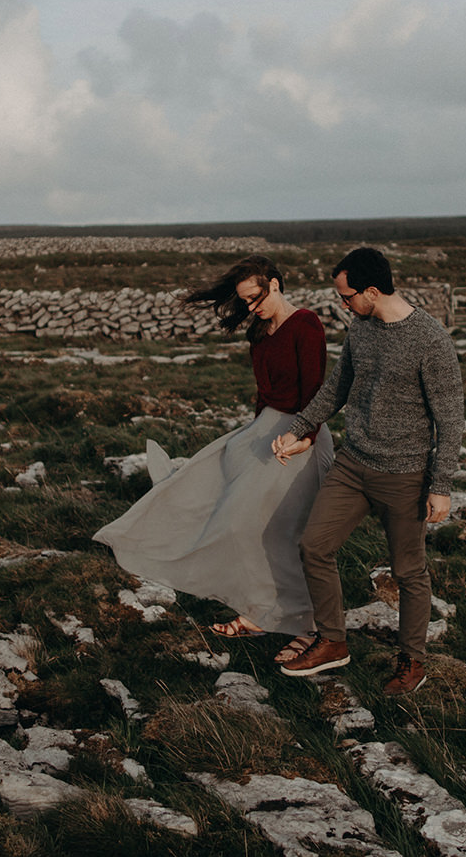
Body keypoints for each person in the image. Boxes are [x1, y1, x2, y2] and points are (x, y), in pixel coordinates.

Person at [94, 256, 331, 650]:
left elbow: (316, 391)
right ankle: (261, 611)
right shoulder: (260, 332)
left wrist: (304, 435)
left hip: (299, 437)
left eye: (256, 298)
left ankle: (303, 625)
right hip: (264, 432)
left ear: (275, 284)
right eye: (245, 303)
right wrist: (252, 435)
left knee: (266, 526)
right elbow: (264, 393)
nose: (251, 308)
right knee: (220, 505)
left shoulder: (306, 325)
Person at [271, 247, 463, 695]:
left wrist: (442, 485)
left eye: (347, 296)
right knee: (313, 546)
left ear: (373, 291)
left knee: (408, 571)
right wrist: (302, 428)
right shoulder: (360, 328)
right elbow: (338, 386)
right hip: (353, 465)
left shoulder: (430, 340)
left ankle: (412, 661)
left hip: (405, 475)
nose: (343, 305)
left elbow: (450, 418)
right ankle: (333, 641)